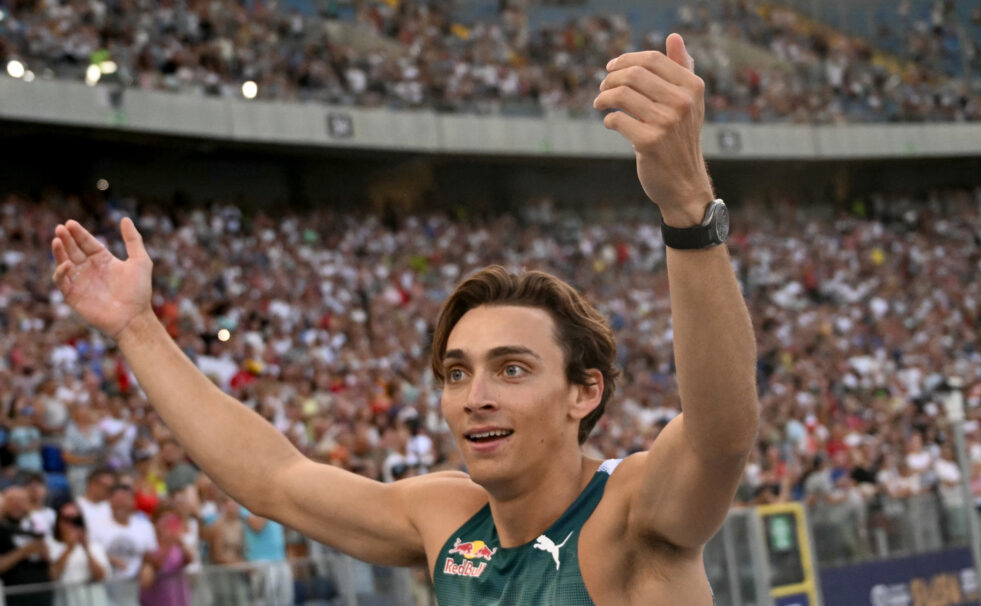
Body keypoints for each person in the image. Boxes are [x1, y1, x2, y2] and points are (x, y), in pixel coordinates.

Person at [51, 33, 758, 604]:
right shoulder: (445, 519)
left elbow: (720, 437)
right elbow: (273, 479)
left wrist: (687, 209)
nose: (475, 393)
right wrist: (137, 329)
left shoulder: (630, 516)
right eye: (457, 372)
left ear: (586, 392)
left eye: (512, 368)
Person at [93, 484, 158, 606]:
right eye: (117, 501)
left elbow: (150, 556)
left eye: (124, 501)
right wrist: (108, 558)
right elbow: (91, 553)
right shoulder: (97, 527)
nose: (121, 505)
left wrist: (148, 567)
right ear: (110, 502)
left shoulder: (145, 526)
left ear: (133, 502)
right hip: (106, 591)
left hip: (135, 592)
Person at [46, 500, 112, 606]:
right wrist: (69, 548)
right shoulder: (50, 545)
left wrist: (86, 549)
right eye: (66, 519)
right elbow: (53, 576)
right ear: (58, 522)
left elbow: (100, 576)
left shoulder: (94, 546)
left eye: (76, 520)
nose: (71, 524)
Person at [0, 486, 53, 606]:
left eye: (21, 501)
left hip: (42, 593)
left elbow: (47, 558)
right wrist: (24, 552)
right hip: (15, 595)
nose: (17, 505)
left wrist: (44, 554)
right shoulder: (2, 529)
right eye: (13, 501)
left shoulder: (33, 525)